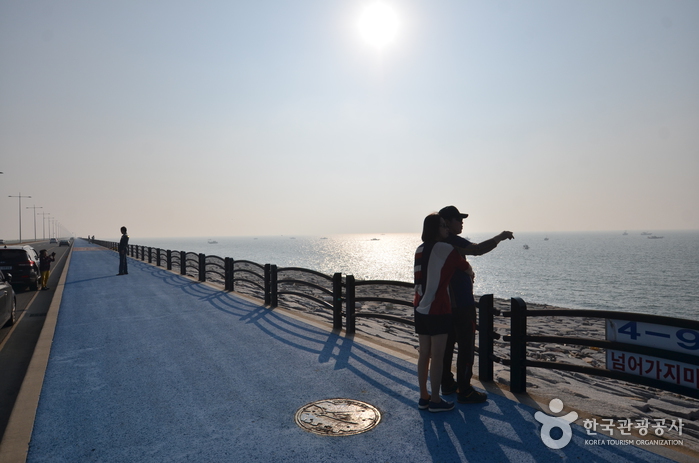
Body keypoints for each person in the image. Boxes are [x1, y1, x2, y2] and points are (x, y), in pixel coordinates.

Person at [439, 205, 514, 404]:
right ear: (447, 222)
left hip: (445, 305)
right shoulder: (453, 242)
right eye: (458, 219)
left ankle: (446, 383)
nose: (462, 222)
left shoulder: (436, 243)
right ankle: (464, 390)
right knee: (465, 348)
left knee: (447, 346)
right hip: (461, 305)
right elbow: (477, 249)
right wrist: (500, 237)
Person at [414, 213, 474, 413]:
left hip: (420, 306)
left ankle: (424, 397)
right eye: (442, 225)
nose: (446, 228)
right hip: (438, 308)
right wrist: (471, 273)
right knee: (438, 357)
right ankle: (436, 400)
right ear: (435, 229)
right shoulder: (445, 248)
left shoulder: (419, 249)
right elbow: (464, 266)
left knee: (424, 354)